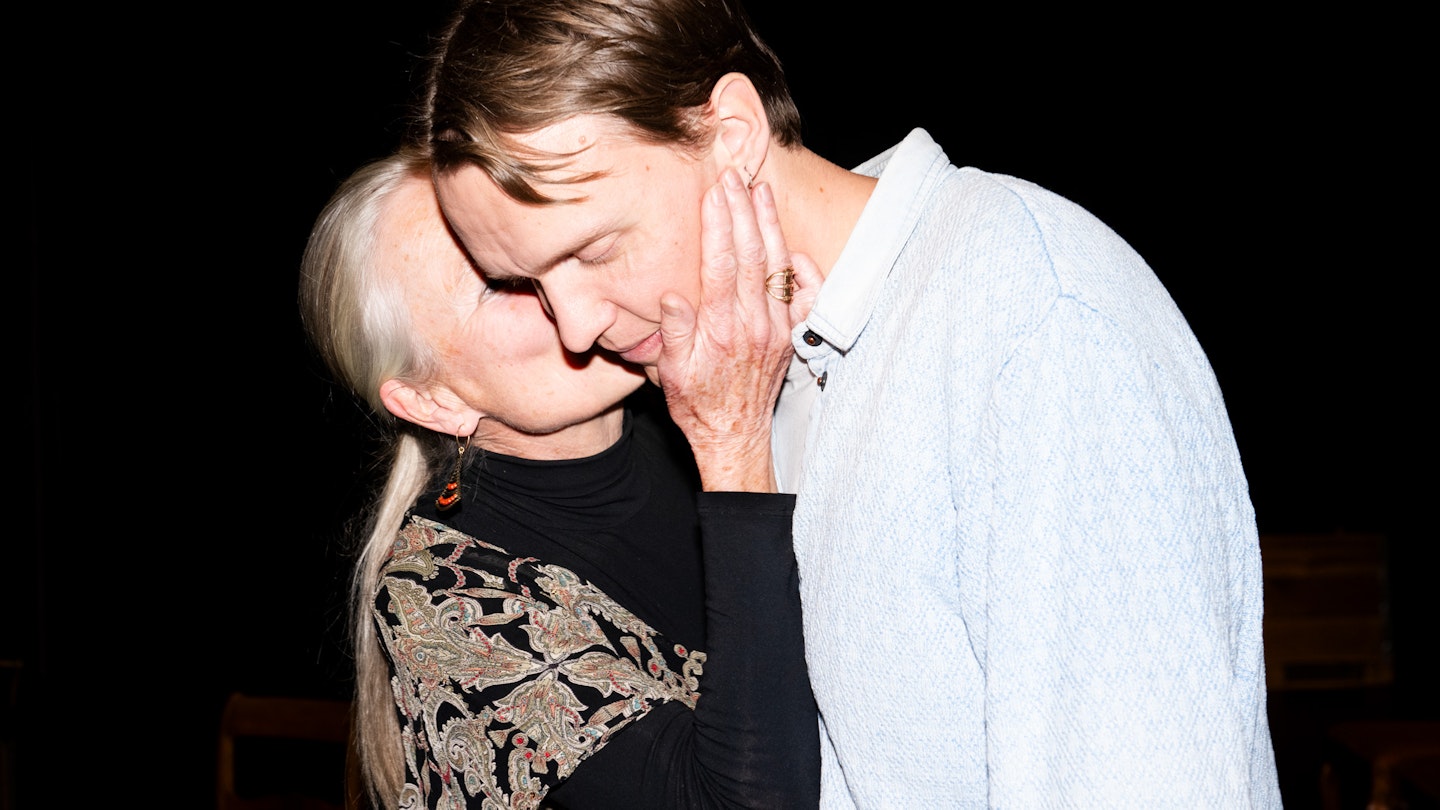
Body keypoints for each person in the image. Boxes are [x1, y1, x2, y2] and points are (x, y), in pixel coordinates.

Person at [417, 1, 1284, 806]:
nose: (575, 326)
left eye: (595, 249)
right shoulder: (768, 362)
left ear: (732, 135)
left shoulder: (1030, 320)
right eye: (526, 282)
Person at [297, 147, 820, 809]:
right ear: (437, 403)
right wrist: (735, 449)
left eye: (544, 241)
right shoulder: (443, 598)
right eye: (501, 280)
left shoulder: (697, 397)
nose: (563, 288)